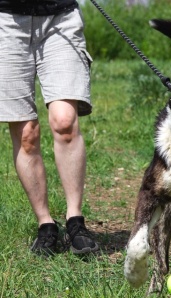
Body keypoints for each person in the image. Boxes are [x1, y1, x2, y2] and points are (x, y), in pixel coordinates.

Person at [0, 0, 99, 256]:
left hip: (60, 18)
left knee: (65, 121)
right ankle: (45, 224)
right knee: (26, 135)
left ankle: (75, 221)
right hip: (7, 22)